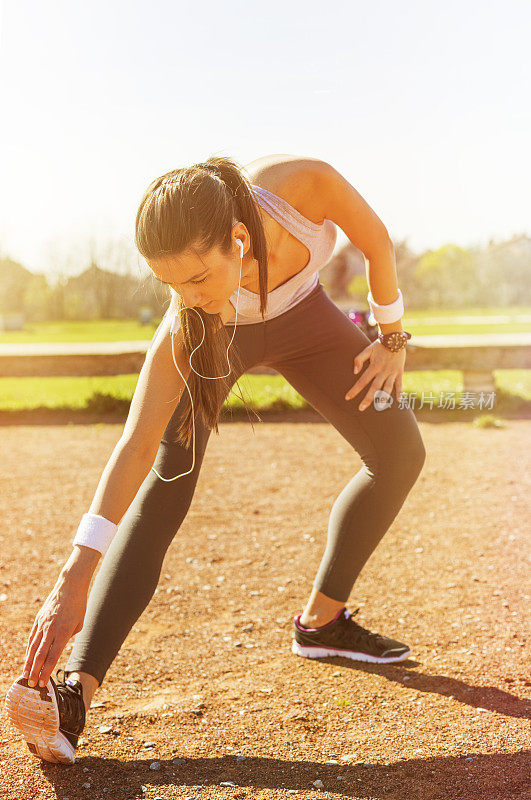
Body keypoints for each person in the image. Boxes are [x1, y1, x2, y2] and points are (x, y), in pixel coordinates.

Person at [5, 153, 426, 764]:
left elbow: (377, 243)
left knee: (400, 452)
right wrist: (75, 574)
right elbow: (134, 443)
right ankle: (76, 692)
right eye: (170, 285)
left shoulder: (299, 186)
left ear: (236, 240)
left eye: (198, 278)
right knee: (167, 480)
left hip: (304, 315)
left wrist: (391, 338)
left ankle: (322, 623)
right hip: (226, 339)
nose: (187, 297)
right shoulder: (191, 319)